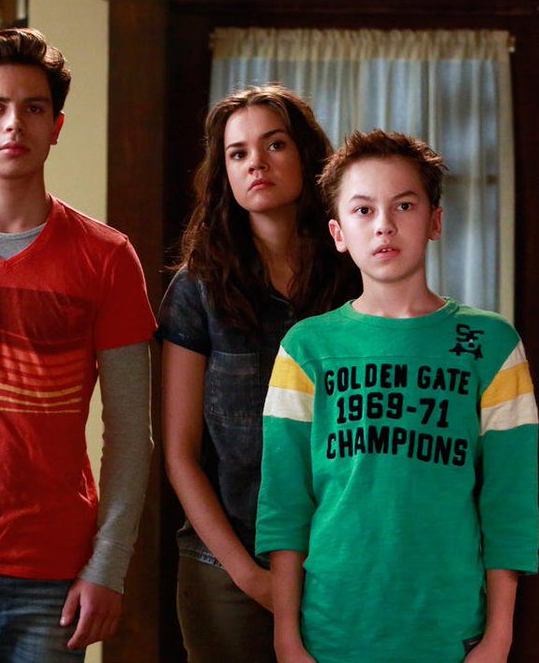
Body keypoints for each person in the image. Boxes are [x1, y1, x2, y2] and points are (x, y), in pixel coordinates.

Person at [0, 28, 157, 661]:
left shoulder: (107, 258)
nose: (13, 123)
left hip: (52, 570)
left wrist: (109, 566)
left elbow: (130, 432)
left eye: (34, 107)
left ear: (57, 126)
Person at [256, 129, 539, 663]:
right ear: (339, 233)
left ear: (435, 221)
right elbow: (285, 505)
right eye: (363, 210)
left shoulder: (492, 343)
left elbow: (510, 502)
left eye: (404, 205)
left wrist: (498, 637)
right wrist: (286, 637)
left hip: (450, 632)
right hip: (331, 631)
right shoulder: (306, 348)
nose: (384, 224)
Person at [155, 85, 359, 663]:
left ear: (307, 155)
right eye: (238, 153)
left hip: (342, 558)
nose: (257, 164)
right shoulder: (197, 289)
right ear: (224, 172)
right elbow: (180, 454)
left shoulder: (354, 274)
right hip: (227, 565)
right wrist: (249, 577)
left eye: (275, 145)